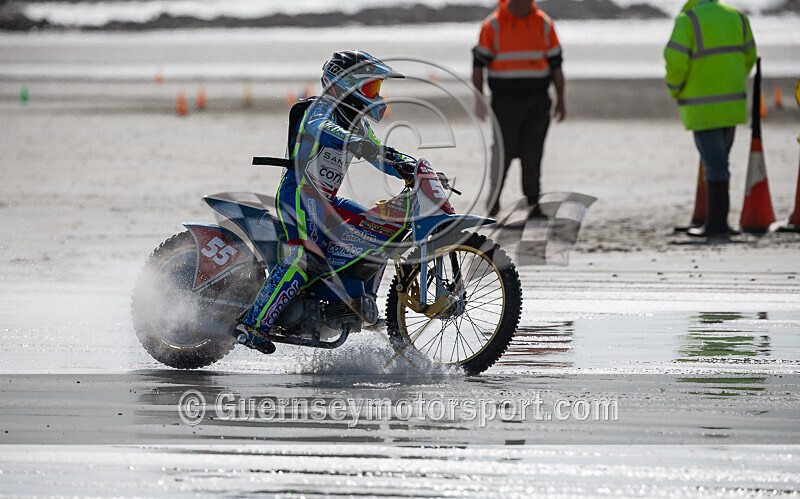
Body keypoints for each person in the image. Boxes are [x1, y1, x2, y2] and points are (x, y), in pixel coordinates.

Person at [236, 51, 410, 352]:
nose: (375, 95)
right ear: (345, 85)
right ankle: (252, 325)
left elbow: (379, 153)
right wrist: (354, 141)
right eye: (370, 87)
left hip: (326, 200)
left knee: (379, 232)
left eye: (376, 88)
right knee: (302, 258)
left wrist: (409, 166)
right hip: (299, 194)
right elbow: (321, 127)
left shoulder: (358, 126)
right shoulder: (318, 109)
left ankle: (359, 304)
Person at [664, 0, 757, 237]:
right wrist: (733, 80)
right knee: (721, 162)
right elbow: (750, 56)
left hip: (703, 106)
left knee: (715, 164)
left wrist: (675, 89)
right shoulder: (737, 17)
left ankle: (716, 225)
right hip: (732, 103)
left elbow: (675, 62)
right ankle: (718, 222)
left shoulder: (688, 20)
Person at [472, 0, 566, 217]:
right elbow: (478, 65)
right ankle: (494, 198)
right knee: (502, 151)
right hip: (504, 102)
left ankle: (533, 204)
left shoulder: (544, 23)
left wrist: (561, 98)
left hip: (538, 101)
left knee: (533, 153)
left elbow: (556, 64)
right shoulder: (493, 25)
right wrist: (479, 100)